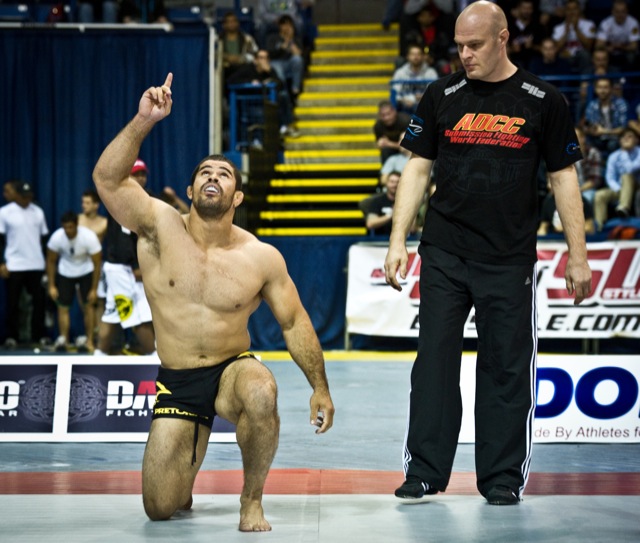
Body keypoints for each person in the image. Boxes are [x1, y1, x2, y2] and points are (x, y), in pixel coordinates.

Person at [92, 73, 334, 531]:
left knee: (262, 390)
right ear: (189, 191)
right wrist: (145, 120)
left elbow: (293, 321)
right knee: (161, 508)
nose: (212, 177)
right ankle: (189, 450)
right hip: (178, 381)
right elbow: (107, 178)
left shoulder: (260, 256)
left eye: (223, 174)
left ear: (236, 196)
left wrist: (319, 386)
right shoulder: (157, 225)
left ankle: (250, 501)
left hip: (230, 369)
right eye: (204, 172)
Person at [384, 1, 591, 506]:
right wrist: (398, 239)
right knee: (432, 362)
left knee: (504, 368)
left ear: (503, 39)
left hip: (509, 258)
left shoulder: (543, 99)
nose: (465, 54)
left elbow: (564, 176)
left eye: (474, 45)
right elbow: (416, 168)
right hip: (445, 253)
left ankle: (501, 477)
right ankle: (425, 472)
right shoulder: (442, 93)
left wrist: (578, 255)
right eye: (458, 45)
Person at [95, 159, 156, 356]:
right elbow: (123, 240)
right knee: (138, 315)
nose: (141, 178)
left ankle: (99, 356)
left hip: (121, 267)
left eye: (143, 174)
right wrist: (136, 265)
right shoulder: (124, 199)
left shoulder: (146, 198)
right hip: (124, 268)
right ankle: (153, 360)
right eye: (136, 174)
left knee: (112, 314)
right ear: (127, 176)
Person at [0, 181, 49, 348]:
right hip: (14, 264)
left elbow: (44, 239)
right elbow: (0, 240)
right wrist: (1, 263)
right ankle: (12, 337)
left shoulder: (38, 212)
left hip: (36, 264)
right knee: (12, 303)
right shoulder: (5, 212)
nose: (27, 199)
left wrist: (44, 263)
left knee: (39, 303)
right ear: (16, 196)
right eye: (23, 196)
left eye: (29, 196)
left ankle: (38, 336)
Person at [46, 211, 102, 352]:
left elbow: (97, 264)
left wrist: (94, 289)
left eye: (70, 227)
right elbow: (51, 261)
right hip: (65, 272)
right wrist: (52, 285)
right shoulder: (57, 237)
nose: (68, 230)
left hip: (86, 271)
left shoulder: (89, 237)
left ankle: (89, 341)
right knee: (63, 307)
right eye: (65, 227)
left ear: (77, 225)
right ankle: (63, 339)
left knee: (89, 307)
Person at [593, 127, 640, 227]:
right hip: (620, 189)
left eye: (630, 137)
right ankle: (600, 227)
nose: (626, 139)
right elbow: (610, 178)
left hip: (637, 187)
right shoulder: (613, 156)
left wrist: (624, 153)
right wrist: (619, 189)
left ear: (637, 140)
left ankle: (623, 207)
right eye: (623, 137)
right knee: (599, 195)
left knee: (627, 176)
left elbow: (630, 169)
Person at [581, 77, 629, 159]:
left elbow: (623, 128)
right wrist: (590, 129)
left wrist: (604, 131)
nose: (602, 91)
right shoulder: (592, 105)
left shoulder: (620, 103)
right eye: (600, 87)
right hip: (598, 138)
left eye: (605, 87)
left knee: (612, 144)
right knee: (587, 142)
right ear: (595, 89)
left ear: (611, 89)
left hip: (615, 138)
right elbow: (588, 125)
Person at [266, 14, 305, 100]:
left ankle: (295, 90)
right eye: (284, 24)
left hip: (289, 64)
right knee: (277, 67)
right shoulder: (272, 38)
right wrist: (282, 47)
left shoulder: (296, 39)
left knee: (297, 60)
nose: (287, 27)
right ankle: (283, 93)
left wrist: (290, 41)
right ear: (279, 26)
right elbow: (270, 55)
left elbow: (298, 55)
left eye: (289, 25)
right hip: (275, 62)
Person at [551, 0, 596, 75]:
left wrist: (576, 29)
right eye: (569, 9)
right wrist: (566, 33)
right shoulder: (558, 28)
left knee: (585, 55)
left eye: (574, 9)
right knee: (560, 57)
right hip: (566, 57)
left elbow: (589, 46)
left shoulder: (589, 24)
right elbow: (556, 49)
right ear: (565, 11)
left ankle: (584, 82)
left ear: (579, 10)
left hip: (581, 56)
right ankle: (563, 84)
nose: (572, 12)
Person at [391, 44, 438, 113]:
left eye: (418, 54)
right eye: (412, 54)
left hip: (426, 109)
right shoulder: (400, 72)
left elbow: (435, 93)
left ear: (423, 56)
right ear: (407, 56)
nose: (416, 57)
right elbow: (395, 93)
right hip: (405, 109)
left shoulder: (431, 72)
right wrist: (403, 100)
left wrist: (423, 97)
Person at [594, 0, 640, 72]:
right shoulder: (606, 23)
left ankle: (629, 78)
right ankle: (604, 77)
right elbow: (598, 45)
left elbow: (634, 46)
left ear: (627, 11)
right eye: (617, 11)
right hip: (610, 51)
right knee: (600, 55)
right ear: (612, 12)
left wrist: (621, 47)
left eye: (623, 11)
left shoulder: (633, 23)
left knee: (632, 56)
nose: (620, 14)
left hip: (625, 51)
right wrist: (609, 48)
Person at [219, 11, 259, 82]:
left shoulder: (247, 38)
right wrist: (226, 57)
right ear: (224, 25)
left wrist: (241, 59)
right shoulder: (218, 40)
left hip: (242, 67)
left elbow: (255, 54)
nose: (231, 24)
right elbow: (214, 54)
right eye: (229, 22)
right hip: (225, 68)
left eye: (234, 21)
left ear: (238, 23)